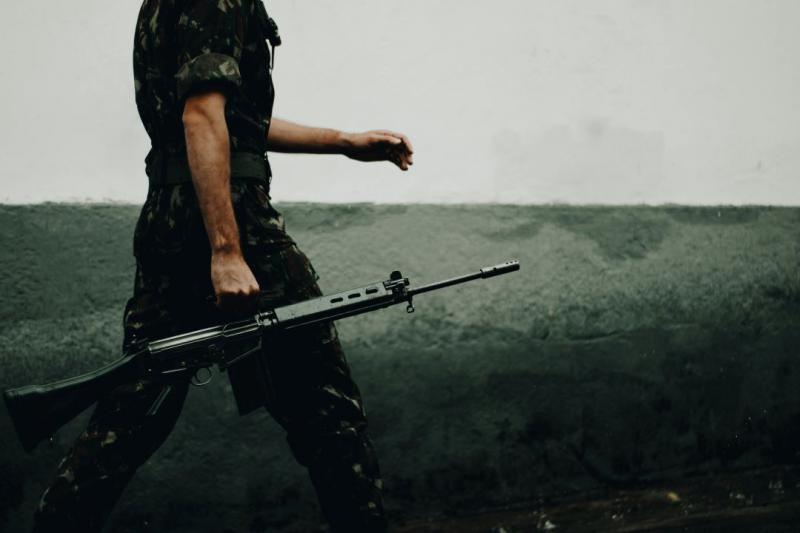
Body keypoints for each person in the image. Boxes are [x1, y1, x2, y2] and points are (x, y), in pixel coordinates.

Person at [31, 1, 413, 531]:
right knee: (331, 418)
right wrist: (227, 251)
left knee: (129, 418)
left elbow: (232, 119)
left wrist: (344, 142)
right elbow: (201, 116)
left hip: (171, 223)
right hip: (232, 222)